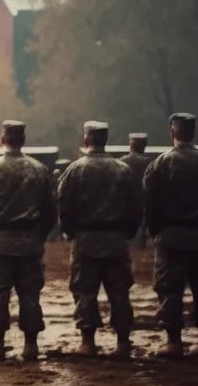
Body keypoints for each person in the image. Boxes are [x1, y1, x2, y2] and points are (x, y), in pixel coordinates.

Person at [143, 113, 198, 358]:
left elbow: (151, 203)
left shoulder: (160, 164)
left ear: (172, 132)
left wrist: (155, 232)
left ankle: (173, 341)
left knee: (170, 289)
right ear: (194, 133)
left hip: (171, 236)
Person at [0, 120, 55, 361]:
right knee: (29, 294)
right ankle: (31, 345)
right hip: (30, 241)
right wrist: (40, 234)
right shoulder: (39, 170)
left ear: (2, 138)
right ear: (23, 140)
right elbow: (50, 210)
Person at [56, 121, 141, 358]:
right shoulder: (122, 169)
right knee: (120, 291)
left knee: (85, 291)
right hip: (116, 239)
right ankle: (123, 343)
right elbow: (136, 207)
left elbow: (64, 206)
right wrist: (128, 233)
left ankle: (88, 342)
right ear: (106, 139)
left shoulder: (75, 170)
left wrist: (70, 233)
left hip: (85, 240)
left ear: (86, 139)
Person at [120, 133, 153, 248]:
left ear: (131, 145)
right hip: (145, 200)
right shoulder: (150, 163)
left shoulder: (123, 161)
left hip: (126, 201)